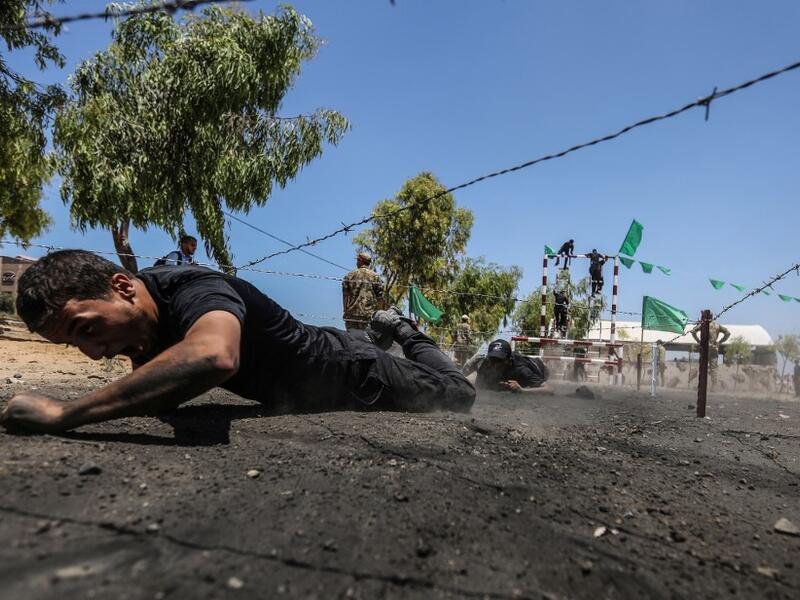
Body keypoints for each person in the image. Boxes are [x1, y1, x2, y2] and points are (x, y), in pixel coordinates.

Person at [0, 250, 475, 433]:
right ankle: (383, 333)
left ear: (123, 287)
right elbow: (152, 388)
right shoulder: (140, 321)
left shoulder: (196, 288)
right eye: (75, 346)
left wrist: (66, 412)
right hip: (324, 354)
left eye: (87, 329)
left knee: (459, 396)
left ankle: (404, 332)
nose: (94, 351)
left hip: (356, 372)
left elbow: (214, 356)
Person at [463, 339, 552, 395]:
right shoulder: (487, 363)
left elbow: (549, 389)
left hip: (541, 368)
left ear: (508, 360)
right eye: (493, 359)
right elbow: (478, 383)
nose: (495, 364)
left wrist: (523, 390)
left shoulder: (521, 370)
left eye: (499, 360)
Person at [342, 252, 384, 332]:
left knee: (352, 340)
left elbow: (345, 295)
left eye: (357, 260)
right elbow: (380, 297)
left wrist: (345, 310)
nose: (356, 262)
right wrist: (380, 313)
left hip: (352, 316)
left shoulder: (349, 275)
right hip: (368, 315)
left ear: (360, 260)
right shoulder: (375, 276)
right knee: (367, 341)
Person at [691, 320, 730, 391]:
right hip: (713, 348)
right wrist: (719, 342)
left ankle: (701, 385)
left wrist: (698, 341)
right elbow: (728, 333)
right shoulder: (717, 325)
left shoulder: (703, 324)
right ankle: (714, 386)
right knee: (713, 368)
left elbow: (693, 331)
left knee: (703, 367)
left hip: (704, 348)